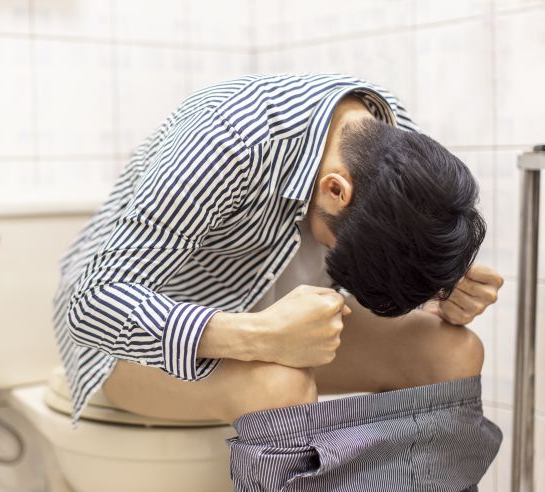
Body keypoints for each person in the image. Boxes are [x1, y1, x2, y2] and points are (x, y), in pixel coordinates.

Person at [52, 73, 504, 482]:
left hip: (282, 320)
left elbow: (387, 258)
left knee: (454, 353)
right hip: (127, 338)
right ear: (335, 189)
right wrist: (257, 336)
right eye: (338, 246)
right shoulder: (225, 137)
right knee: (279, 385)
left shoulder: (392, 138)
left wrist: (439, 286)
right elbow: (91, 305)